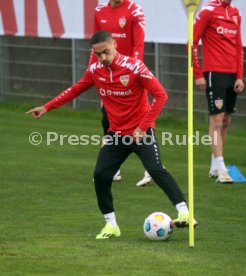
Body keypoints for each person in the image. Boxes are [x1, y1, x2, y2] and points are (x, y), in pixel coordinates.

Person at [26, 30, 197, 239]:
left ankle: (185, 213)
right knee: (100, 175)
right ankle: (111, 225)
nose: (103, 58)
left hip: (141, 133)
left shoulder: (135, 66)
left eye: (106, 52)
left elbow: (161, 95)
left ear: (114, 44)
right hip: (116, 135)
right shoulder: (95, 70)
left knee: (155, 169)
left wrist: (143, 127)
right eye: (98, 54)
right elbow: (75, 90)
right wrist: (47, 107)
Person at [90, 0, 152, 186]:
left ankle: (151, 168)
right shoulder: (99, 11)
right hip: (106, 75)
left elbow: (138, 47)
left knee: (142, 115)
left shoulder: (135, 10)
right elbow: (95, 48)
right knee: (107, 118)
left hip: (129, 74)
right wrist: (94, 74)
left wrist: (133, 72)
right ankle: (113, 168)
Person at [193, 0, 244, 183]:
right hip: (214, 73)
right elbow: (191, 42)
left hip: (232, 75)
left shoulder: (236, 12)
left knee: (226, 120)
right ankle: (222, 168)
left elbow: (238, 46)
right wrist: (198, 73)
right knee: (217, 119)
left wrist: (239, 76)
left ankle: (215, 164)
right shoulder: (207, 11)